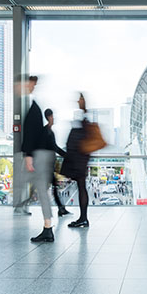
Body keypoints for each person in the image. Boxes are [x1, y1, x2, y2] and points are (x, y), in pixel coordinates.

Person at [17, 76, 56, 242]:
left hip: (38, 157)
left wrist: (28, 156)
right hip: (41, 156)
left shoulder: (33, 108)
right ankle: (47, 227)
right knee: (41, 191)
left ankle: (47, 228)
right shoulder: (33, 107)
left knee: (39, 190)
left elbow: (31, 135)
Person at [61, 93, 91, 228]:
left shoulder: (84, 119)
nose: (78, 101)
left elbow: (77, 140)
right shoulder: (84, 120)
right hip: (81, 160)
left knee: (81, 187)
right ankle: (83, 218)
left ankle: (83, 218)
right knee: (81, 187)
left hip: (79, 160)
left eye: (80, 99)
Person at [43, 108, 71, 217]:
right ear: (49, 117)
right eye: (52, 116)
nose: (53, 118)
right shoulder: (47, 131)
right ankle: (22, 204)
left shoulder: (48, 131)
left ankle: (61, 208)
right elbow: (54, 147)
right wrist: (66, 155)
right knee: (47, 187)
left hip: (49, 163)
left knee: (52, 187)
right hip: (47, 164)